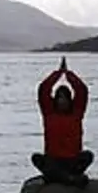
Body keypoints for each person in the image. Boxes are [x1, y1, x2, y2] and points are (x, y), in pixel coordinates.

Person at [31, 57, 93, 185]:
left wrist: (68, 74)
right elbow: (43, 89)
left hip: (72, 160)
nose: (62, 101)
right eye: (59, 98)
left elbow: (81, 91)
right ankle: (69, 179)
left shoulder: (76, 113)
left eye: (65, 98)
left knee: (88, 155)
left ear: (69, 100)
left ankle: (61, 177)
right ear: (55, 100)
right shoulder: (49, 113)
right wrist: (58, 73)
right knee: (36, 158)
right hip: (54, 160)